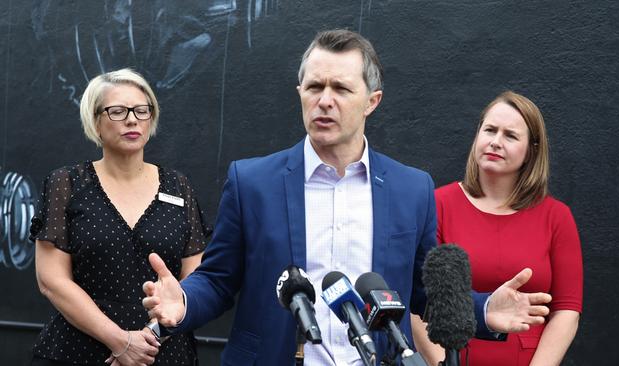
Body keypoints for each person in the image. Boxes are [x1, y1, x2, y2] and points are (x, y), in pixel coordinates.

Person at [142, 30, 552, 365]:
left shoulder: (412, 188)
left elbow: (423, 291)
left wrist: (480, 310)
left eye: (341, 88)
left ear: (372, 101)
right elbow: (217, 280)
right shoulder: (251, 181)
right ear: (300, 92)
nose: (325, 100)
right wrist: (183, 301)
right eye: (315, 86)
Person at [29, 69, 210, 366]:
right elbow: (51, 280)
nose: (131, 119)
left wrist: (148, 340)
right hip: (78, 351)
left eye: (142, 110)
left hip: (162, 352)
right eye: (117, 111)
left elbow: (196, 279)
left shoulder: (178, 186)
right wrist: (121, 341)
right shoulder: (67, 183)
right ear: (95, 121)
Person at [415, 91, 583, 365]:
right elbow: (416, 304)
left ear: (531, 151)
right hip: (452, 358)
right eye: (489, 130)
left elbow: (567, 310)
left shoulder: (556, 217)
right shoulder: (438, 205)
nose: (495, 142)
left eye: (510, 135)